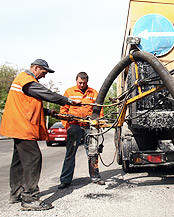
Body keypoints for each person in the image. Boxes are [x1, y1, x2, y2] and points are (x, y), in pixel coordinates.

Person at [0, 59, 80, 211]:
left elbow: (29, 103)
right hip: (22, 126)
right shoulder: (26, 80)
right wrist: (67, 101)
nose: (44, 76)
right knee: (33, 158)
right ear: (36, 68)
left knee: (19, 161)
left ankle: (16, 193)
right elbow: (46, 94)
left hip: (17, 126)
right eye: (44, 72)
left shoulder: (23, 82)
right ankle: (30, 198)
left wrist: (51, 113)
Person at [58, 72, 105, 189]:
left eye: (84, 83)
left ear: (87, 82)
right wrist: (67, 126)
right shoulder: (69, 92)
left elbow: (99, 108)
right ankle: (65, 180)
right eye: (80, 82)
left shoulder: (93, 93)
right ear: (76, 81)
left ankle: (95, 177)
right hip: (74, 126)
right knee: (70, 153)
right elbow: (63, 110)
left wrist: (98, 123)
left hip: (89, 126)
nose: (82, 85)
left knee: (92, 152)